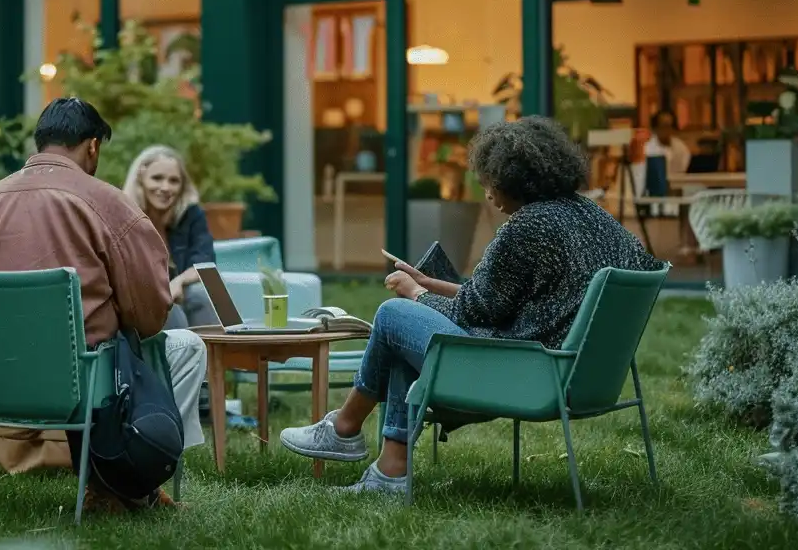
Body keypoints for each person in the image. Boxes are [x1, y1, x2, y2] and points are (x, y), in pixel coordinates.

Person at [279, 116, 663, 496]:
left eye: (488, 182)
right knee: (402, 334)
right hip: (581, 377)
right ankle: (388, 471)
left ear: (512, 179)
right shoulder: (597, 219)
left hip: (524, 375)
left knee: (393, 316)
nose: (488, 194)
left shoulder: (527, 227)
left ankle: (344, 429)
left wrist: (415, 293)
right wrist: (432, 285)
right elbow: (500, 300)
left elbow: (475, 312)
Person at [0, 98, 207, 511]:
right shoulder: (108, 204)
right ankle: (126, 478)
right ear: (92, 147)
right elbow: (150, 316)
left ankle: (113, 479)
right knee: (183, 347)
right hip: (75, 382)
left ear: (40, 143)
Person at [122, 145, 219, 330]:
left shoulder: (190, 214)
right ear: (140, 179)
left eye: (174, 181)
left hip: (182, 295)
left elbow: (206, 264)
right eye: (157, 178)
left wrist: (179, 282)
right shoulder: (125, 217)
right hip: (145, 303)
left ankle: (223, 354)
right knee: (171, 310)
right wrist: (165, 292)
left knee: (202, 294)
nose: (165, 187)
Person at [644, 109, 692, 176]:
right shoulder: (647, 149)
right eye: (664, 126)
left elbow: (683, 170)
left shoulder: (680, 146)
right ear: (655, 128)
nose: (668, 130)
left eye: (671, 126)